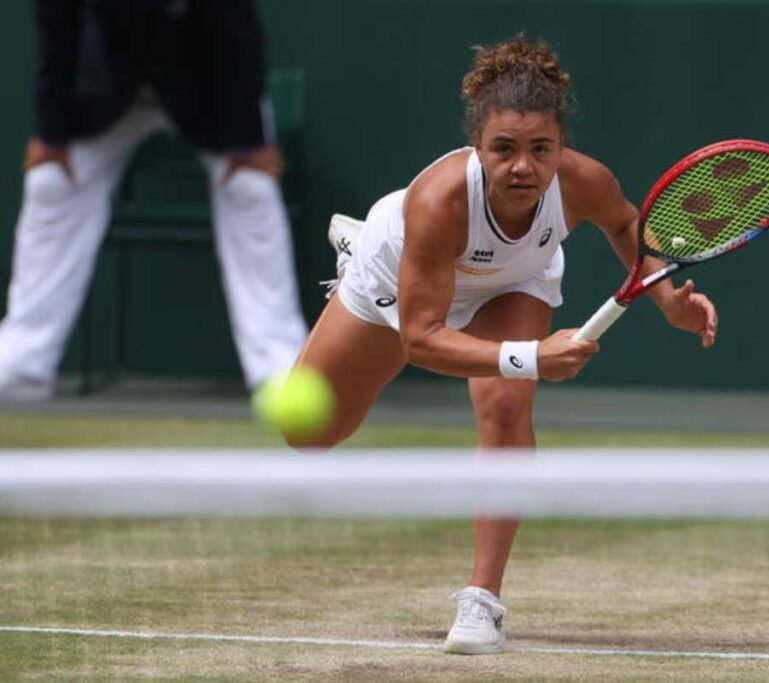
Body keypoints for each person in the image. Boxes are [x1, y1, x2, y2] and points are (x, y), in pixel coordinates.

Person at [296, 35, 718, 655]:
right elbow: (423, 340)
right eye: (505, 149)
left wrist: (664, 296)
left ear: (560, 148)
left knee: (504, 405)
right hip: (403, 277)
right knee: (311, 432)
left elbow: (627, 223)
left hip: (513, 278)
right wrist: (534, 357)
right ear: (478, 148)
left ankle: (481, 601)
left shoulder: (580, 181)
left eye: (540, 149)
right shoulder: (441, 200)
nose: (524, 166)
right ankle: (363, 240)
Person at [0, 0, 308, 400]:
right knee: (50, 182)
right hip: (104, 93)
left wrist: (247, 142)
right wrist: (51, 134)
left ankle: (280, 365)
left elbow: (237, 31)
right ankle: (21, 364)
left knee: (251, 188)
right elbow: (57, 29)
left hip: (205, 90)